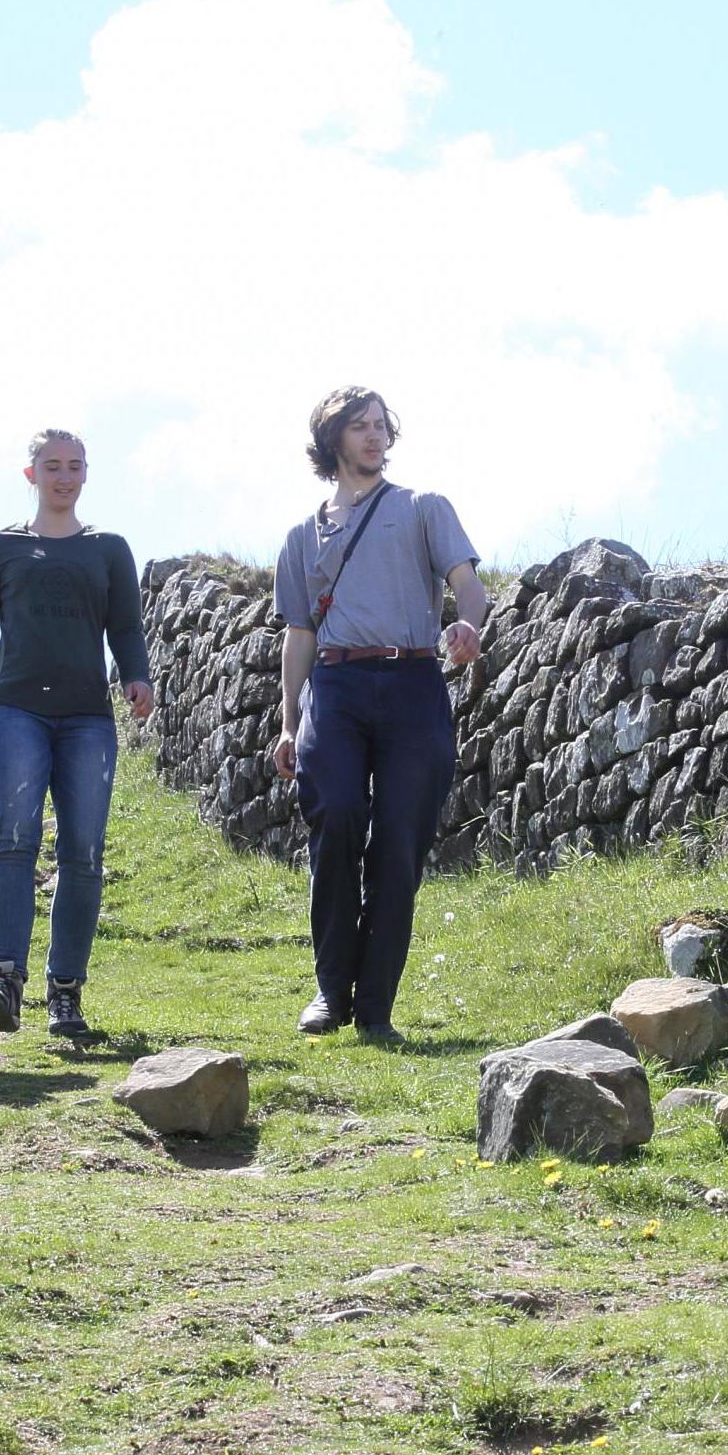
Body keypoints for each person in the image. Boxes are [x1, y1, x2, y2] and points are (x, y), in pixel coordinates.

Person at [270, 386, 488, 1043]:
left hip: (414, 680)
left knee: (398, 845)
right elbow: (300, 635)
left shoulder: (424, 507)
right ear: (332, 439)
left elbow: (467, 581)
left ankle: (376, 1010)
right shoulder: (301, 536)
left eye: (380, 427)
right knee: (335, 819)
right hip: (334, 688)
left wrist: (469, 624)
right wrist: (287, 722)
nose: (374, 437)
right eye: (359, 427)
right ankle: (331, 990)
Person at [0, 429, 154, 1038]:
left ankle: (65, 992)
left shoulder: (108, 549)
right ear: (30, 474)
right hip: (16, 710)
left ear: (86, 475)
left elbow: (124, 624)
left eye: (74, 467)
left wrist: (138, 676)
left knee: (84, 853)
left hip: (87, 719)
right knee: (14, 838)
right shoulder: (0, 548)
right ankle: (3, 978)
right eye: (51, 467)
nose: (63, 477)